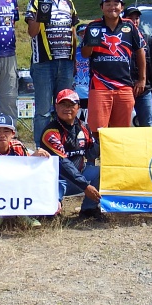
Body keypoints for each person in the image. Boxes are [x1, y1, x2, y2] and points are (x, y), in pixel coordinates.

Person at [25, 0, 79, 141]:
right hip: (43, 64)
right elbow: (32, 32)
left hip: (66, 63)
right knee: (43, 111)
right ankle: (41, 148)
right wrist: (42, 15)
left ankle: (63, 145)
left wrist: (75, 61)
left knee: (64, 108)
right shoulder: (35, 1)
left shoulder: (69, 3)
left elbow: (73, 33)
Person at [80, 0, 146, 136]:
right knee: (96, 131)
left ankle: (117, 160)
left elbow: (140, 50)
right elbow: (85, 54)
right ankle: (93, 159)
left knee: (121, 133)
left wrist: (142, 79)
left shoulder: (129, 26)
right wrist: (91, 41)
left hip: (124, 86)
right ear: (101, 7)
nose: (112, 7)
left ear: (122, 7)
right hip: (99, 86)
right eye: (108, 3)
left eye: (116, 3)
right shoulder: (93, 26)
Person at [40, 89, 103, 221]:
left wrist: (101, 141)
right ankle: (53, 206)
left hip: (80, 174)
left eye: (71, 105)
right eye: (63, 105)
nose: (67, 109)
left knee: (101, 172)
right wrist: (85, 186)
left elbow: (91, 152)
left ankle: (89, 209)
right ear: (56, 107)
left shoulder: (84, 127)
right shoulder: (51, 132)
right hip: (56, 180)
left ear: (78, 107)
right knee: (49, 214)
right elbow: (63, 163)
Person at [0, 113, 50, 231]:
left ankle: (22, 213)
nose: (2, 134)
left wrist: (35, 157)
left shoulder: (18, 146)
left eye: (6, 131)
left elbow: (27, 167)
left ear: (13, 134)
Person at [123, 5, 152, 126]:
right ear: (124, 19)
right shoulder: (119, 38)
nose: (134, 21)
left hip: (144, 89)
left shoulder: (147, 38)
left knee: (147, 124)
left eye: (137, 18)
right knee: (123, 124)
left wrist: (144, 81)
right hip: (124, 88)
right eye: (131, 18)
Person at [73, 23, 90, 120]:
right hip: (77, 92)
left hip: (91, 92)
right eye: (81, 34)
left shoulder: (94, 51)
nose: (83, 36)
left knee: (90, 122)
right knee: (77, 121)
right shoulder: (74, 51)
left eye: (85, 33)